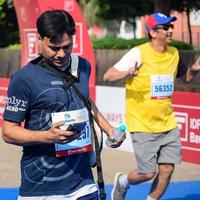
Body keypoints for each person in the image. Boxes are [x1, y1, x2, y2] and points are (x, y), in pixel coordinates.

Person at [2, 9, 124, 200]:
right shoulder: (23, 79)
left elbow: (84, 98)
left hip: (84, 183)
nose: (61, 54)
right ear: (39, 39)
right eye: (54, 47)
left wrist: (109, 129)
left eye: (67, 47)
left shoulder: (83, 66)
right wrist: (47, 136)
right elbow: (8, 132)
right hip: (41, 188)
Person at [103, 12, 200, 200]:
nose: (170, 30)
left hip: (167, 122)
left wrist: (194, 70)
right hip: (142, 123)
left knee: (167, 169)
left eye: (171, 26)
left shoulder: (174, 54)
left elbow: (186, 78)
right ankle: (122, 181)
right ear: (153, 33)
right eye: (165, 27)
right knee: (147, 173)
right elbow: (108, 75)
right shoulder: (138, 53)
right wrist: (127, 73)